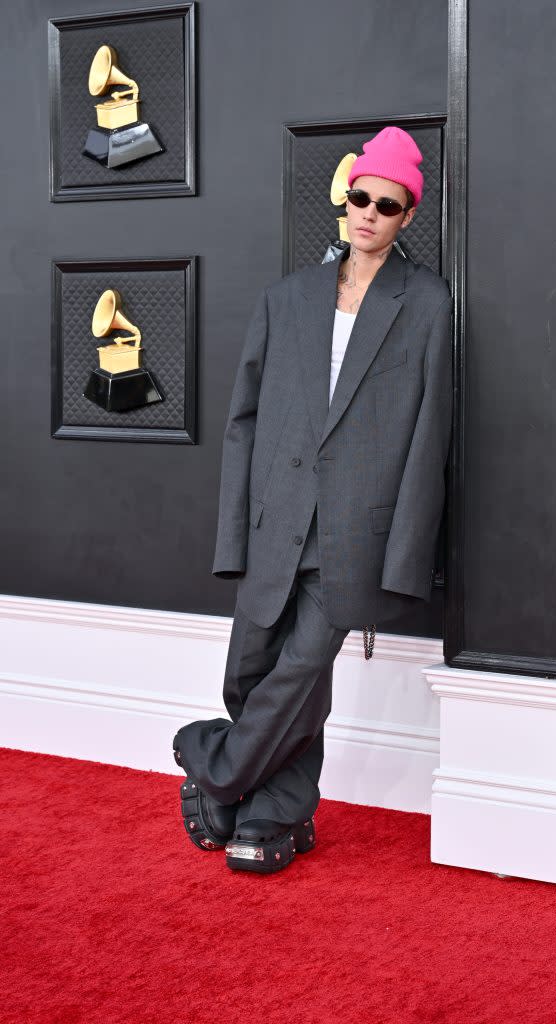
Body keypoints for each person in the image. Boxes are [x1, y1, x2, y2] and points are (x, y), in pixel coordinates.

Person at [173, 126, 453, 874]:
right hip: (276, 518)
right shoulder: (285, 297)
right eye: (359, 198)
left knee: (299, 669)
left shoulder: (425, 304)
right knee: (251, 671)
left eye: (386, 206)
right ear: (345, 199)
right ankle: (275, 819)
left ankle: (217, 769)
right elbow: (243, 423)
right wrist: (233, 532)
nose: (368, 214)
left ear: (405, 217)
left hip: (357, 531)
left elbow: (431, 436)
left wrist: (406, 553)